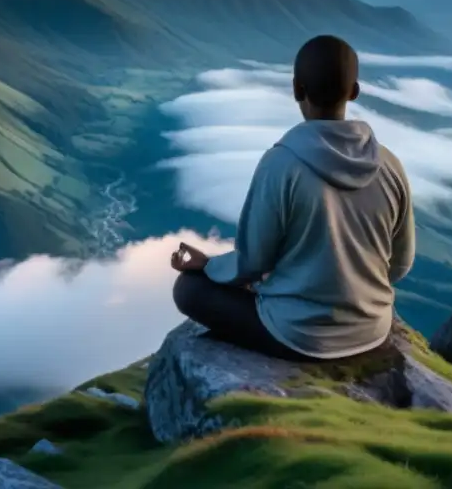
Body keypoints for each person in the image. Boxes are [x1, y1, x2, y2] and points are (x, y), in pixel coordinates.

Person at [170, 34, 416, 362]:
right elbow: (400, 264)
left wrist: (209, 265)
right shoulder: (389, 165)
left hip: (299, 335)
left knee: (188, 290)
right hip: (372, 330)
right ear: (354, 91)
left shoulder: (281, 164)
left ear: (297, 89)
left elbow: (252, 262)